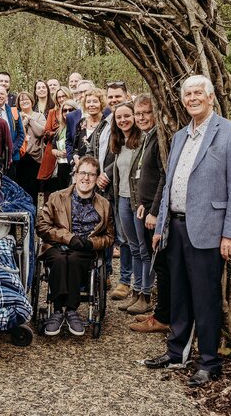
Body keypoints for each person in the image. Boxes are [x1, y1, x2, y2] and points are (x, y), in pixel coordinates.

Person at [144, 75, 231, 387]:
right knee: (177, 294)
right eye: (187, 94)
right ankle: (176, 352)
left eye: (197, 93)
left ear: (211, 97)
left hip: (208, 230)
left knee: (205, 298)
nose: (192, 98)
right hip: (175, 228)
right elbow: (169, 186)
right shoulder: (179, 137)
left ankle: (209, 361)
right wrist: (161, 225)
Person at [36, 156, 115, 336]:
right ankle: (58, 311)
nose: (86, 178)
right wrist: (68, 238)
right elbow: (42, 226)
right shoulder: (57, 197)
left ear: (97, 178)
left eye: (91, 174)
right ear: (75, 175)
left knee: (73, 258)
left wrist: (91, 243)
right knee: (59, 258)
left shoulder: (104, 205)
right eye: (83, 173)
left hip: (85, 250)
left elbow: (110, 237)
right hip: (58, 245)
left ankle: (70, 310)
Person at [128, 94, 168, 333]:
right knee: (154, 259)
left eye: (146, 113)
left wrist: (154, 211)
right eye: (138, 113)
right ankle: (160, 313)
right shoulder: (146, 138)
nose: (141, 117)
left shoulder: (159, 139)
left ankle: (162, 316)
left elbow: (165, 176)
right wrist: (143, 201)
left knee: (159, 264)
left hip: (155, 214)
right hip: (145, 206)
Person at [109, 101, 153, 315]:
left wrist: (147, 202)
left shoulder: (143, 140)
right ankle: (135, 292)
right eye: (119, 117)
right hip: (123, 200)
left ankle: (146, 294)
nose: (123, 120)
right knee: (133, 247)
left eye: (128, 116)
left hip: (139, 202)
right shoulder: (120, 142)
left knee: (144, 249)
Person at [88, 82, 130, 289]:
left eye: (117, 96)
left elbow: (128, 153)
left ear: (126, 96)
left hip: (120, 185)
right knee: (101, 230)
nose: (114, 100)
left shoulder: (128, 121)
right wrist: (93, 174)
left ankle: (126, 281)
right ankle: (104, 273)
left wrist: (108, 173)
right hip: (100, 186)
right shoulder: (105, 123)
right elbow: (94, 150)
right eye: (111, 97)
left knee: (123, 236)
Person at [37, 87, 70, 198]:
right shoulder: (52, 112)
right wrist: (57, 132)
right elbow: (46, 132)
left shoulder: (74, 110)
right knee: (52, 184)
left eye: (63, 96)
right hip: (53, 150)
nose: (61, 99)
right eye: (59, 97)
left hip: (68, 154)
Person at [15, 91, 46, 205]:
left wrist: (30, 119)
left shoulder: (39, 116)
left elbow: (40, 132)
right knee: (19, 187)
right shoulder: (16, 116)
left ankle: (32, 216)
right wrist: (22, 121)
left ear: (32, 101)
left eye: (26, 99)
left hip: (34, 156)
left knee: (33, 189)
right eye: (21, 100)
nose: (24, 101)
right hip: (19, 156)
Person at [0, 86, 24, 179]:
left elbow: (21, 134)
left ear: (6, 96)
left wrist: (12, 149)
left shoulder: (14, 111)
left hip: (11, 158)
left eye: (2, 94)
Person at [70, 88, 105, 170]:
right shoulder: (81, 123)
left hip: (99, 168)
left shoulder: (106, 124)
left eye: (95, 101)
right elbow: (75, 148)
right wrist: (76, 159)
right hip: (81, 167)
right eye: (88, 102)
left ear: (101, 103)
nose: (91, 105)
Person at [65, 80, 95, 162]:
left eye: (86, 92)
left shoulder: (104, 114)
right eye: (80, 92)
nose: (83, 95)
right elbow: (69, 141)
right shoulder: (71, 116)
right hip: (78, 164)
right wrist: (71, 160)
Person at [51, 98, 79, 189]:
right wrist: (58, 153)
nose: (67, 113)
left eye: (71, 110)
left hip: (74, 166)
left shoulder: (80, 127)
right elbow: (53, 148)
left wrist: (70, 153)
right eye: (64, 110)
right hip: (61, 167)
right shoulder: (59, 130)